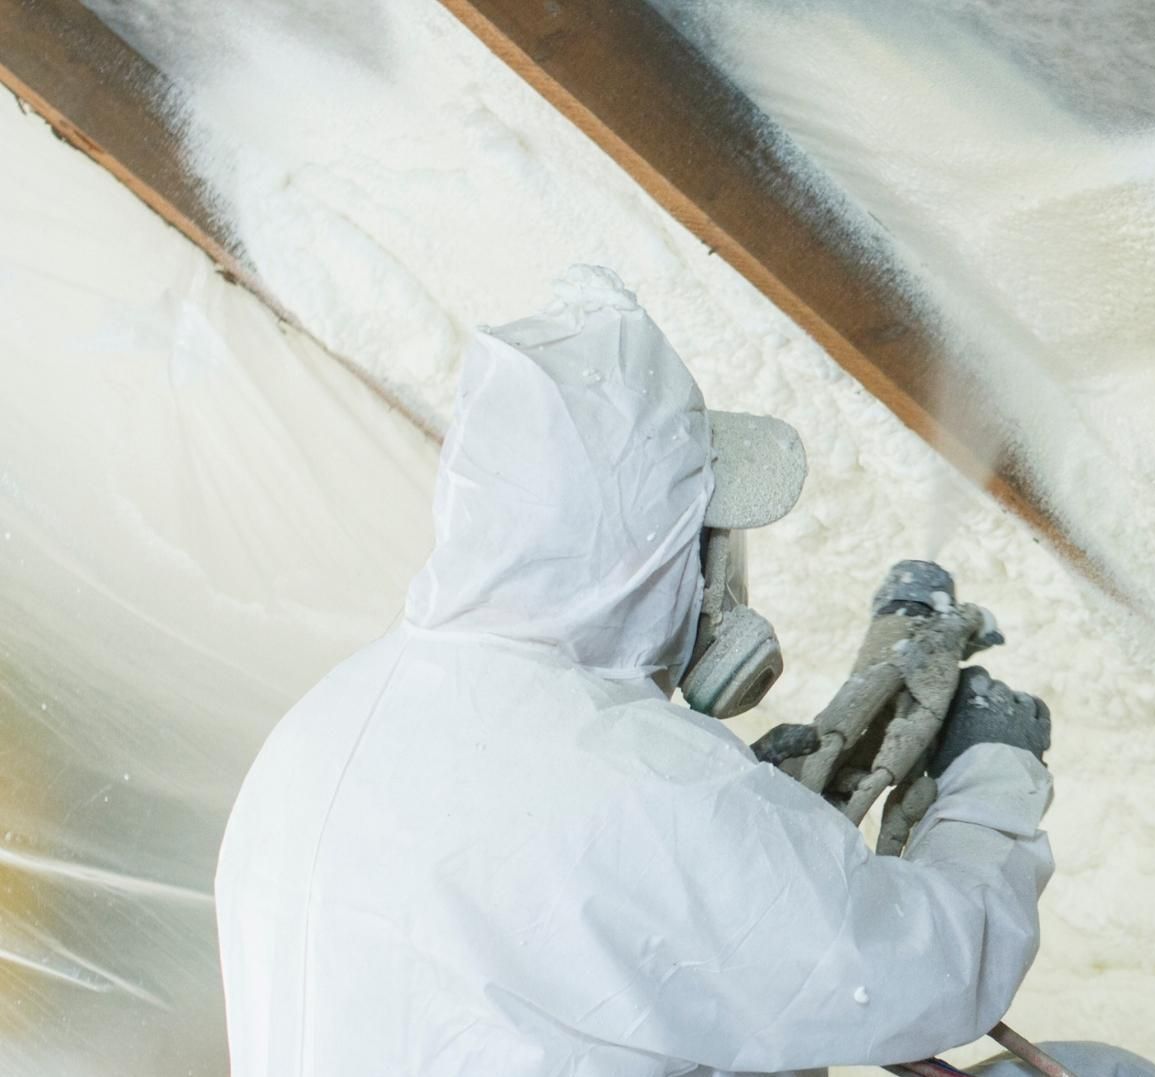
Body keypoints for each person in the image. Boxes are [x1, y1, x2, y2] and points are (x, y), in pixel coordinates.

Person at [215, 266, 1061, 1076]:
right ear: (650, 553)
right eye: (708, 539)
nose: (715, 581)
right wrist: (993, 780)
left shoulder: (328, 718)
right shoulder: (639, 782)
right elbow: (926, 975)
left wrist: (754, 829)